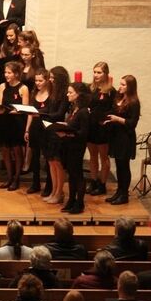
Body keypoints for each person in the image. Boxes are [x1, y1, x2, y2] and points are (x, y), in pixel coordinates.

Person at [104, 74, 141, 204]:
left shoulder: (134, 102)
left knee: (124, 166)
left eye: (123, 85)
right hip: (116, 136)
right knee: (119, 166)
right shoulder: (119, 98)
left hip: (126, 137)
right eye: (120, 84)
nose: (120, 87)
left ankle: (124, 195)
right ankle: (119, 192)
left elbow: (132, 123)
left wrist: (117, 119)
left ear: (130, 87)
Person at [58, 82, 91, 214]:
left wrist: (66, 132)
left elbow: (83, 133)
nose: (67, 94)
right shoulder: (74, 109)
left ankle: (80, 203)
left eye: (70, 92)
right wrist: (63, 125)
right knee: (71, 175)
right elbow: (72, 126)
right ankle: (71, 200)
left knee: (78, 175)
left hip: (77, 147)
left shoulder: (83, 112)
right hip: (69, 145)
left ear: (78, 95)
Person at [0, 61, 29, 191]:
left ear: (16, 74)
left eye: (9, 73)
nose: (6, 75)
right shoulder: (2, 86)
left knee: (17, 151)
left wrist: (15, 111)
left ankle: (16, 178)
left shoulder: (23, 88)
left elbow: (25, 109)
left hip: (17, 122)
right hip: (5, 120)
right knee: (5, 150)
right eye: (5, 72)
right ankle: (9, 177)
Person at [86, 62, 116, 197]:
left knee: (103, 157)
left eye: (99, 72)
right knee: (92, 156)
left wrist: (105, 118)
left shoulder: (111, 91)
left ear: (106, 74)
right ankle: (93, 181)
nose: (96, 75)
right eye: (95, 72)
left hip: (103, 127)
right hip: (91, 126)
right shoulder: (90, 88)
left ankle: (102, 184)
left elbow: (113, 109)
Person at [43, 66, 71, 202]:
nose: (51, 80)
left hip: (57, 130)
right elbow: (49, 108)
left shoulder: (65, 93)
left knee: (58, 163)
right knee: (51, 162)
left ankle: (59, 193)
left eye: (53, 78)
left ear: (60, 79)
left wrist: (44, 115)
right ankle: (54, 191)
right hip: (49, 129)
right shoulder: (53, 91)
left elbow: (60, 113)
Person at [24, 69, 51, 193]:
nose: (38, 83)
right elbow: (30, 113)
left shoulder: (51, 95)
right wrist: (27, 130)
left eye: (41, 80)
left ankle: (49, 185)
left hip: (45, 128)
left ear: (47, 80)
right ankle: (35, 183)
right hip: (34, 127)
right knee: (34, 156)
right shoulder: (34, 93)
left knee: (47, 157)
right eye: (36, 80)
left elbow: (51, 114)